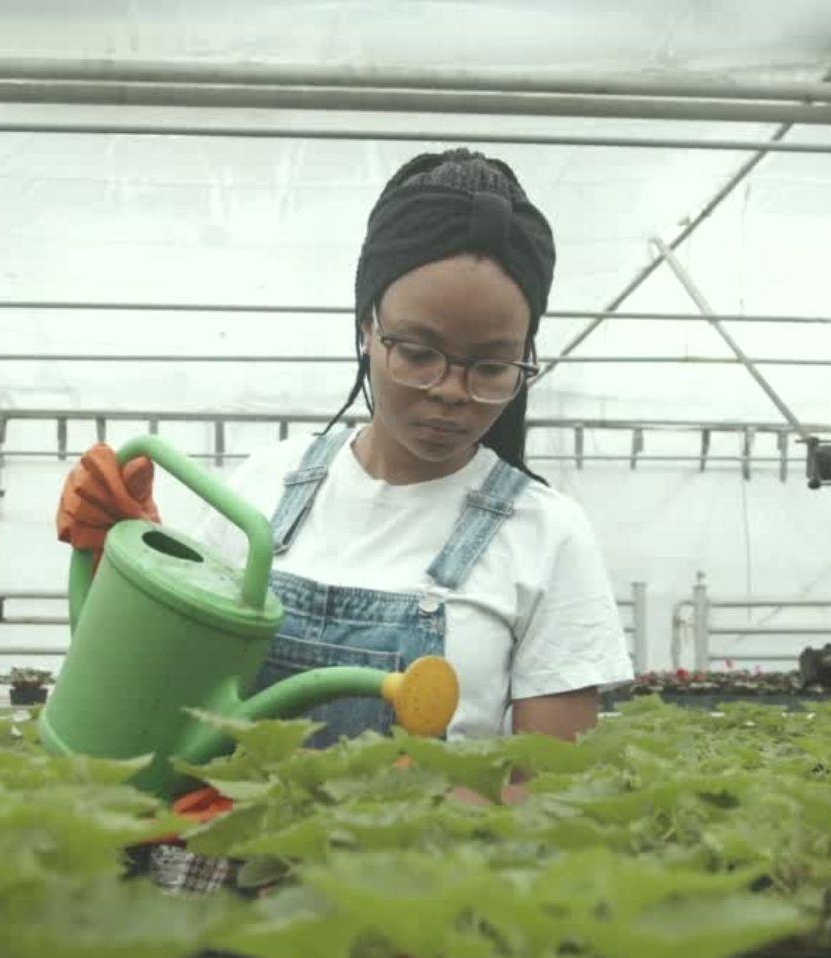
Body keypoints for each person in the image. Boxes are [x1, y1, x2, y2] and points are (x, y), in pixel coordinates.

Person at [196, 147, 631, 747]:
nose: (452, 392)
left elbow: (549, 796)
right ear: (366, 328)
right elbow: (169, 702)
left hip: (436, 843)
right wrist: (110, 555)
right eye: (420, 354)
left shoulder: (548, 533)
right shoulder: (260, 488)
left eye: (491, 366)